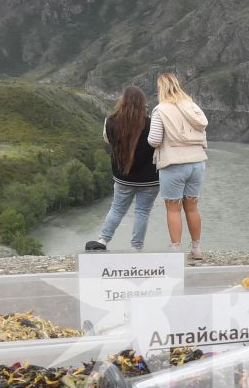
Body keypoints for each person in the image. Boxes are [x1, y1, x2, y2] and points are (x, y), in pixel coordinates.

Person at [87, 86, 158, 251]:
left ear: (122, 101)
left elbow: (107, 141)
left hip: (123, 176)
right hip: (149, 178)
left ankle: (103, 240)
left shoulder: (110, 121)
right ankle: (136, 248)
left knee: (117, 208)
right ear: (143, 104)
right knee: (142, 212)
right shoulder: (151, 123)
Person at [148, 72, 209, 260]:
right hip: (197, 163)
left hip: (173, 164)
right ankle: (197, 249)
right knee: (192, 207)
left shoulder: (160, 110)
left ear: (161, 88)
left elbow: (154, 140)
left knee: (173, 208)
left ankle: (176, 251)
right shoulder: (193, 106)